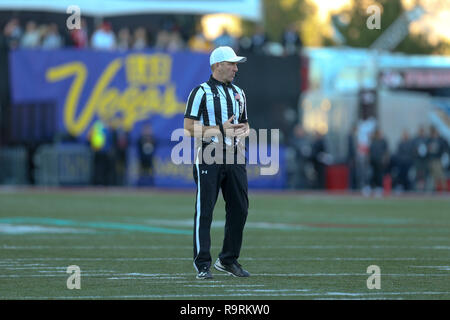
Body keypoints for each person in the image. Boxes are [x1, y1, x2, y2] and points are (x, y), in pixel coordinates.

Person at [183, 46, 250, 280]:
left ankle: (228, 259)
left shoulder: (239, 93)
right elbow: (189, 128)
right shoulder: (200, 92)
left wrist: (243, 130)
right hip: (208, 155)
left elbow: (245, 124)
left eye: (236, 63)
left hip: (235, 156)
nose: (235, 68)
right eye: (231, 63)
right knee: (205, 211)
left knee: (240, 208)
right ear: (216, 65)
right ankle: (203, 263)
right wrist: (219, 129)